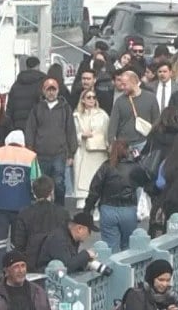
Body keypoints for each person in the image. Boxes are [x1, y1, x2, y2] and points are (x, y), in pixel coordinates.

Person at [0, 130, 42, 275]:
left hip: (0, 204)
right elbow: (36, 180)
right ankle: (15, 271)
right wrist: (38, 199)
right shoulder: (30, 156)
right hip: (23, 205)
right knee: (17, 241)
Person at [24, 77, 78, 206]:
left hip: (59, 153)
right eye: (48, 90)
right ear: (43, 91)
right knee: (42, 185)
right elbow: (30, 130)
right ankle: (42, 210)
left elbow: (71, 131)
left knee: (59, 183)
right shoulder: (37, 108)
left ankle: (59, 209)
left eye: (54, 89)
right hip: (40, 154)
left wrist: (71, 153)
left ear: (58, 91)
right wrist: (30, 150)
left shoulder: (65, 108)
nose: (51, 93)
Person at [83, 141, 140, 252]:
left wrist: (87, 209)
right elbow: (148, 178)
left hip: (108, 209)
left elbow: (94, 189)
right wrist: (139, 160)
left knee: (110, 247)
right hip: (128, 209)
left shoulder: (106, 167)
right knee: (128, 247)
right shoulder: (134, 167)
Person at [11, 177, 69, 269]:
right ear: (52, 192)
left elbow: (19, 244)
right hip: (58, 262)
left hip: (32, 263)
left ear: (34, 193)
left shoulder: (24, 213)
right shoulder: (63, 213)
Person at [72, 88, 110, 209]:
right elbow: (72, 133)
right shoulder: (76, 115)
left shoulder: (102, 114)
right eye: (88, 97)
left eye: (94, 97)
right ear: (83, 100)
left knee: (97, 177)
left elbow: (108, 131)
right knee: (83, 178)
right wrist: (82, 135)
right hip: (83, 150)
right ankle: (83, 199)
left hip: (99, 151)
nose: (92, 100)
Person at [35, 211, 99, 274]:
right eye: (89, 231)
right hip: (46, 277)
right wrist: (86, 254)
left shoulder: (73, 239)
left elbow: (73, 261)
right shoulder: (58, 239)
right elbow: (66, 266)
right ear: (79, 229)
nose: (89, 235)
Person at [7, 56, 47, 130]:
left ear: (26, 66)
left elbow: (9, 108)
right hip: (37, 125)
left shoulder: (16, 84)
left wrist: (11, 127)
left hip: (18, 126)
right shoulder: (44, 82)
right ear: (38, 66)